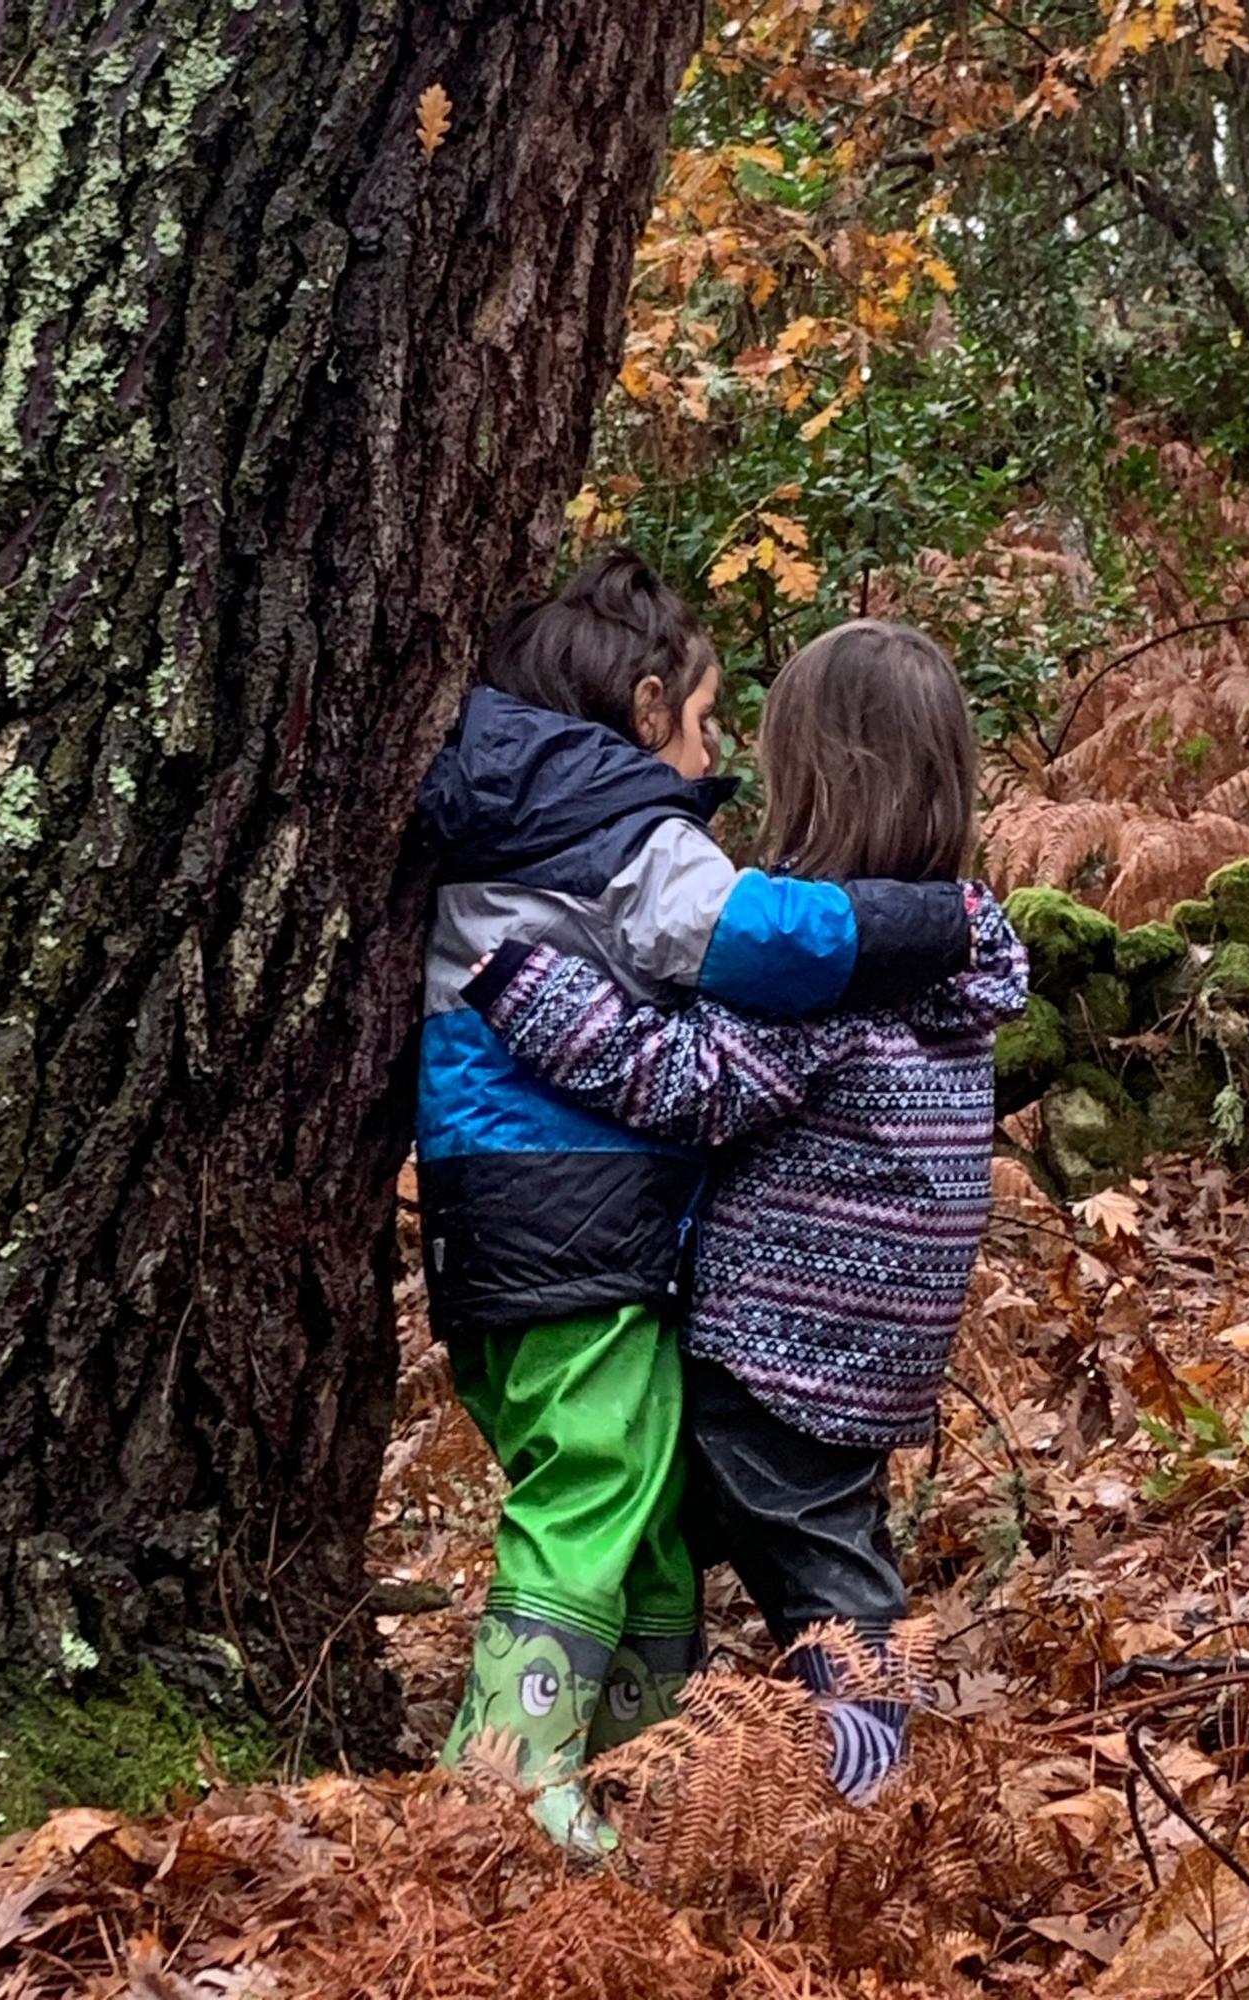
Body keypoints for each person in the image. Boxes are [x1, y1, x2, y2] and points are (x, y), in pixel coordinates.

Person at [418, 561, 975, 1848]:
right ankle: (520, 1769)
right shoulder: (624, 830)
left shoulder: (536, 823)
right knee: (612, 1483)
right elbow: (745, 941)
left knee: (664, 1510)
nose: (714, 758)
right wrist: (918, 919)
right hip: (573, 1220)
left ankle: (641, 1767)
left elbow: (696, 1061)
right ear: (649, 702)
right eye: (713, 725)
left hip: (602, 1252)